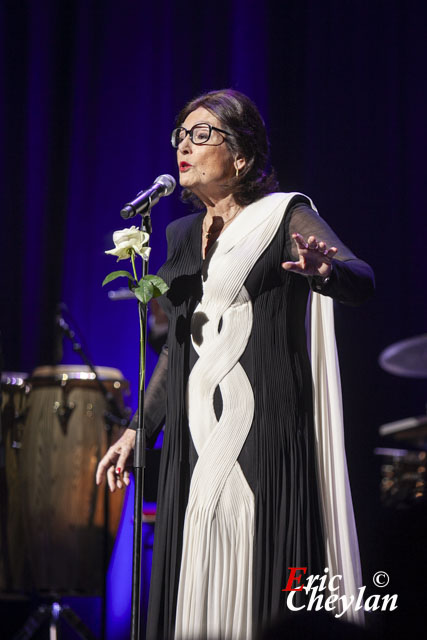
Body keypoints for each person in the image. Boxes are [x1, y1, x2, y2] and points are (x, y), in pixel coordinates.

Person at [96, 89, 374, 640]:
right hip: (192, 442)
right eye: (181, 134)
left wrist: (324, 273)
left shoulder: (283, 216)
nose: (186, 145)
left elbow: (361, 278)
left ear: (241, 156)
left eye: (203, 135)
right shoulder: (178, 236)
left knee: (257, 571)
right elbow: (178, 346)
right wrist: (137, 430)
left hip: (263, 429)